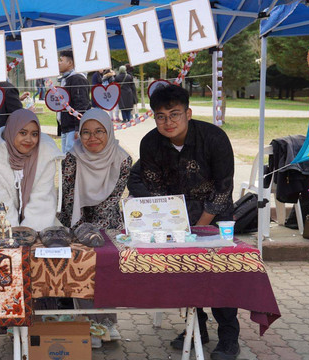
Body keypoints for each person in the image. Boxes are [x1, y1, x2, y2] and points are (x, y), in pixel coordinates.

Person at [130, 85, 239, 360]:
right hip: (175, 214)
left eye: (175, 114)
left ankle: (229, 337)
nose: (168, 122)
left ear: (188, 113)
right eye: (161, 116)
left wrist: (200, 226)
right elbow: (155, 190)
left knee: (219, 274)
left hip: (215, 215)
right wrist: (170, 224)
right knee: (185, 271)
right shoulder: (150, 143)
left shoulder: (214, 138)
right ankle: (196, 328)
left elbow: (224, 187)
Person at [0, 108, 64, 230]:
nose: (29, 139)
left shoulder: (45, 153)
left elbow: (42, 201)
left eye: (34, 134)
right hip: (5, 227)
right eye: (23, 133)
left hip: (41, 226)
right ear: (12, 131)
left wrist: (28, 235)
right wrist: (12, 234)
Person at [58, 108, 132, 230]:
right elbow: (69, 197)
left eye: (99, 131)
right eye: (86, 132)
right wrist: (80, 229)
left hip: (107, 221)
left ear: (108, 131)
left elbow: (112, 200)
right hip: (74, 219)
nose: (92, 138)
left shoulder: (122, 160)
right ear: (80, 134)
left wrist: (95, 230)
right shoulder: (72, 158)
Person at [57, 50, 91, 153]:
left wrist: (78, 128)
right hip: (66, 126)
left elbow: (81, 104)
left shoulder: (77, 79)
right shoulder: (66, 79)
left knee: (71, 157)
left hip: (73, 127)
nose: (58, 63)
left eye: (61, 60)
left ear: (70, 63)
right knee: (65, 157)